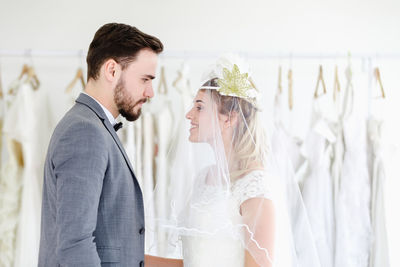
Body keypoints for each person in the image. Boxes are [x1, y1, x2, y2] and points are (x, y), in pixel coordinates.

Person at [145, 56, 321, 267]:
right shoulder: (204, 178)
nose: (189, 114)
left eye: (199, 107)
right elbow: (196, 262)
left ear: (229, 117)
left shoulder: (256, 189)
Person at [38, 23, 163, 267]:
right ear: (112, 70)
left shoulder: (93, 125)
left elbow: (116, 248)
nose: (150, 92)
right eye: (145, 79)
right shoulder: (84, 131)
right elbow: (76, 245)